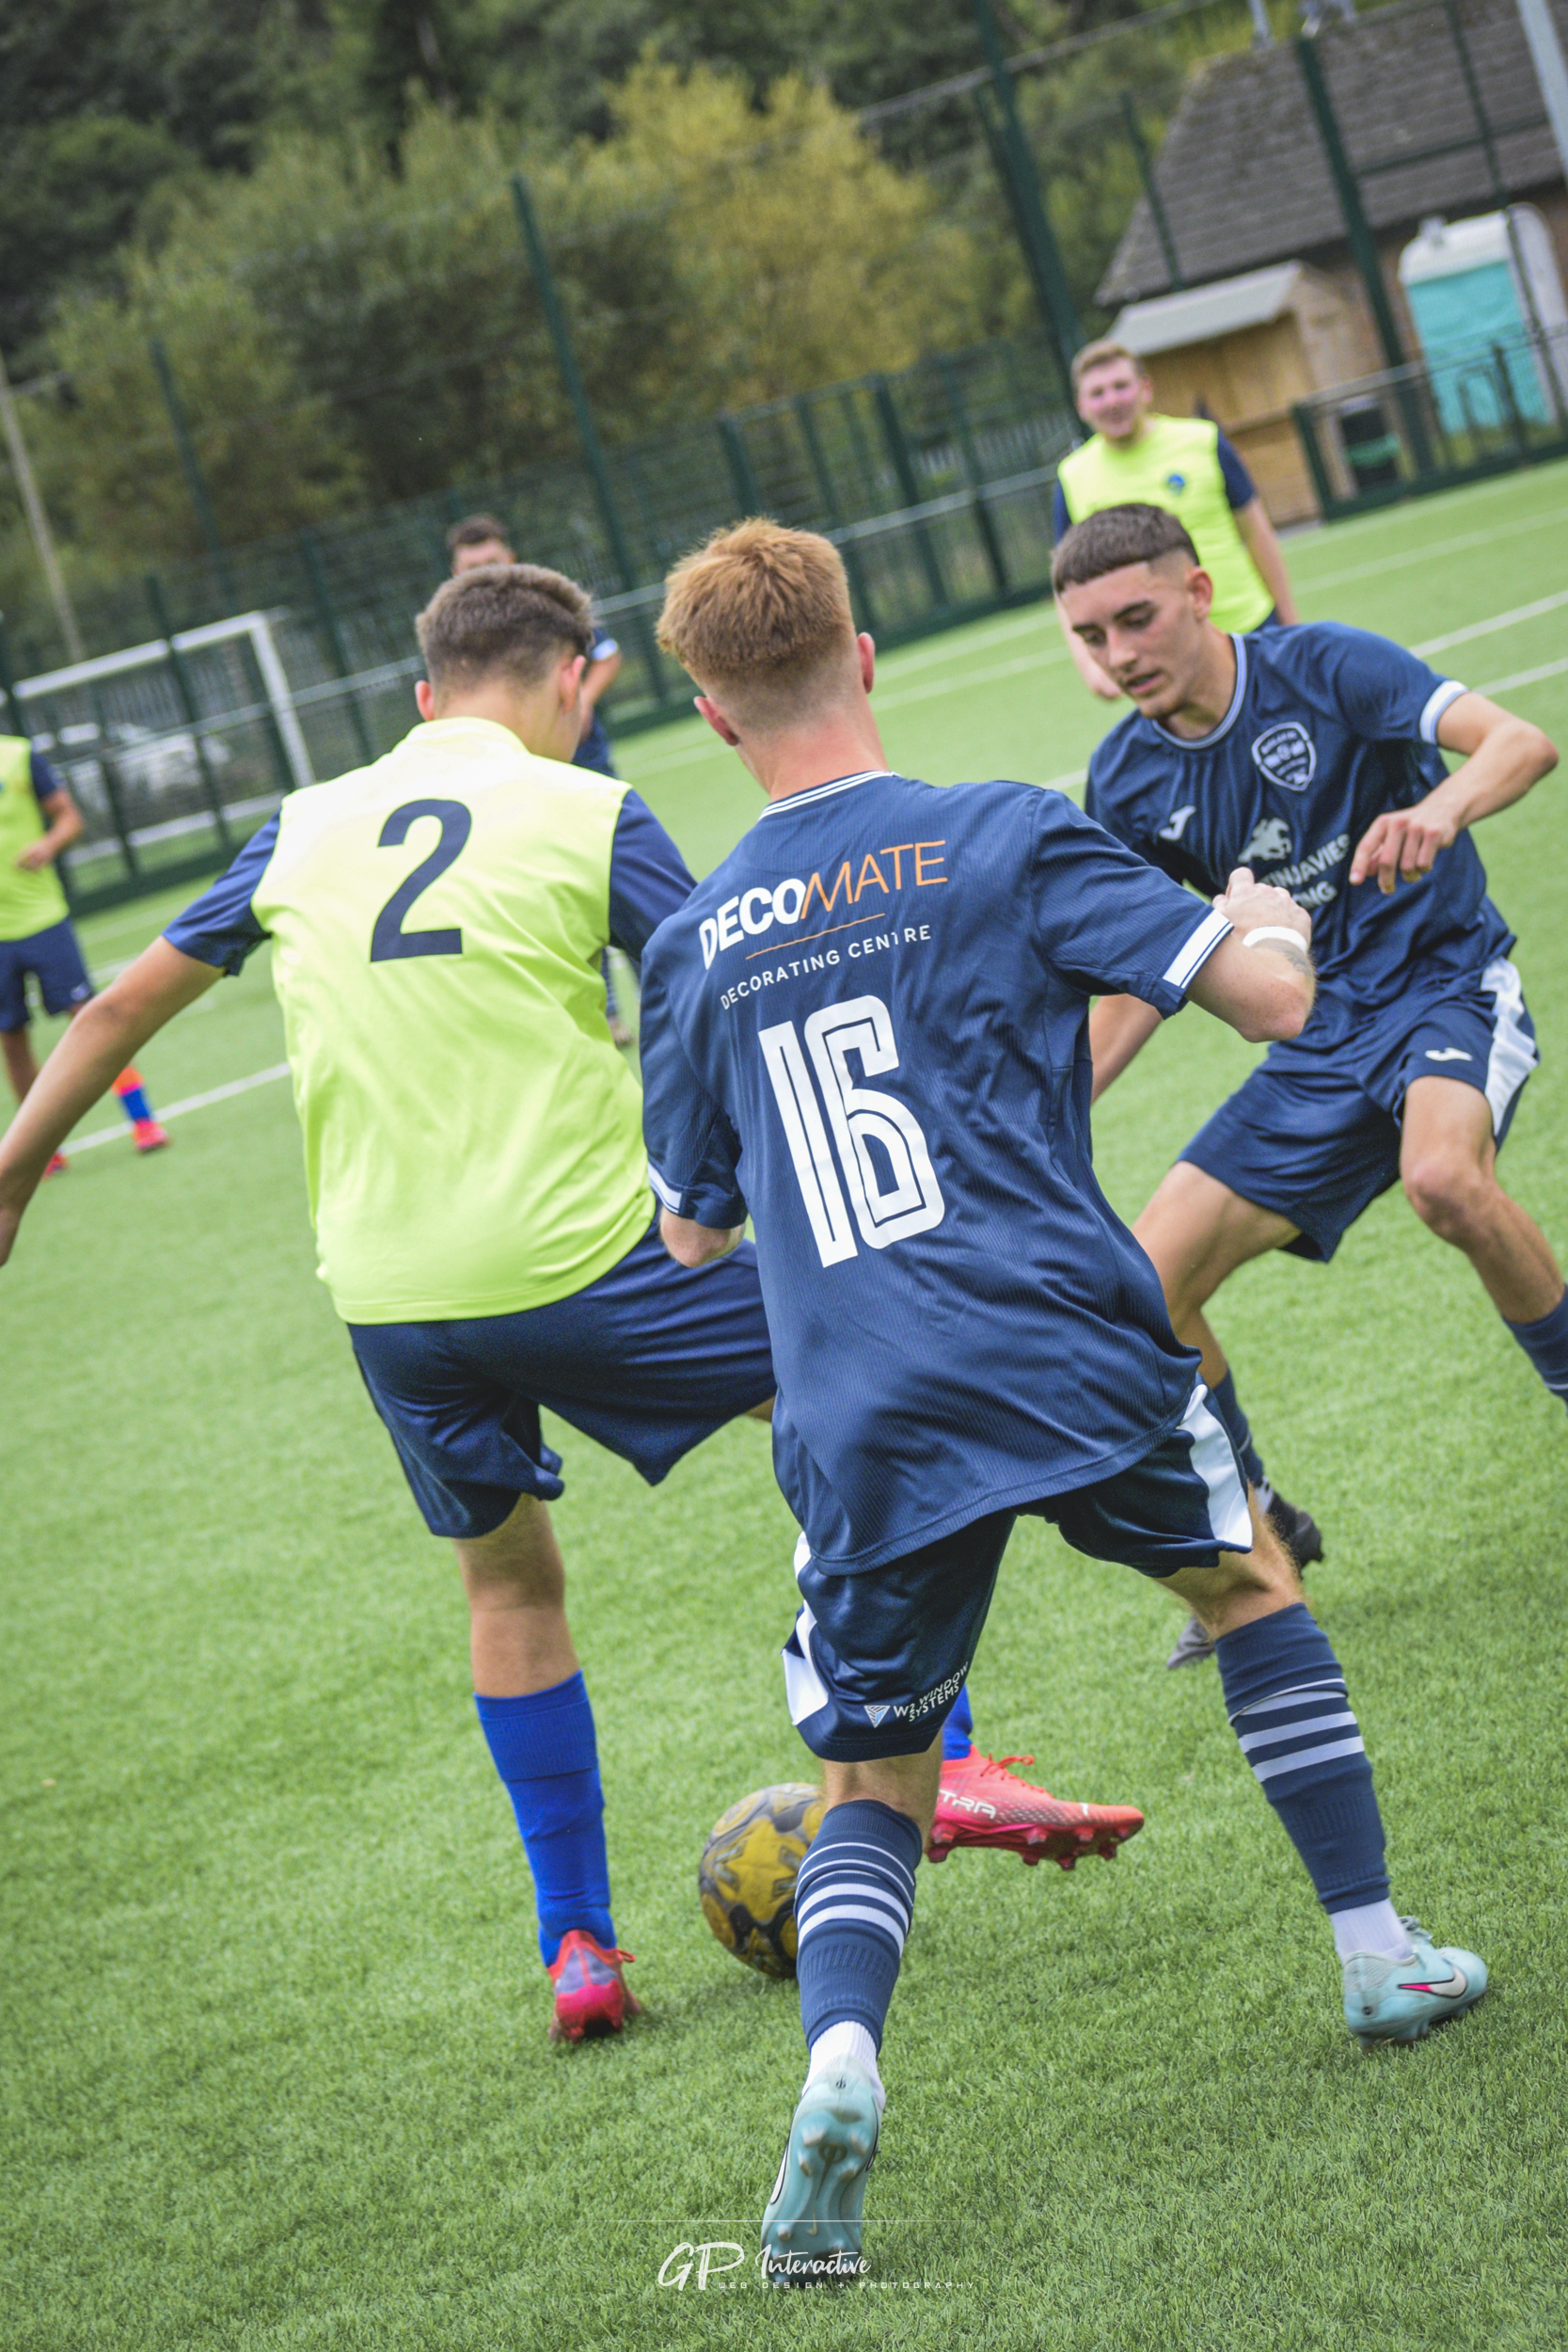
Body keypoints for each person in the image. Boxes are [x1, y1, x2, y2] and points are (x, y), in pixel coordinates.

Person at [0, 566, 1131, 2044]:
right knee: (838, 1376)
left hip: (396, 1303)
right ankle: (948, 1753)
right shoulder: (589, 814)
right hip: (593, 1265)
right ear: (577, 680)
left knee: (510, 1588)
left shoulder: (298, 828)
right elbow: (734, 962)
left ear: (420, 699)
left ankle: (579, 1949)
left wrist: (18, 1173)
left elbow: (109, 1012)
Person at [637, 519, 1485, 2282]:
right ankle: (1375, 1949)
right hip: (1063, 1337)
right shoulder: (1004, 828)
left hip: (860, 1400)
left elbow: (690, 1230)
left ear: (709, 715)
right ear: (864, 656)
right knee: (1246, 1577)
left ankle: (843, 2064)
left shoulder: (696, 941)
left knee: (871, 1777)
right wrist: (1250, 917)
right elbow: (1271, 1000)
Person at [1054, 502, 1562, 1667]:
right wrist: (1061, 1094)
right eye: (1090, 635)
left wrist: (1434, 807)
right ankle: (1262, 1523)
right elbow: (1141, 969)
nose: (1119, 652)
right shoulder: (1126, 776)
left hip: (1441, 990)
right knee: (1146, 1282)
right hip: (1315, 1047)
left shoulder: (1326, 666)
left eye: (1136, 617)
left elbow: (1517, 741)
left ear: (1196, 593)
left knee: (1440, 1177)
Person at [448, 516, 630, 1040]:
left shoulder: (548, 604)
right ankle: (607, 1012)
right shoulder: (455, 629)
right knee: (568, 893)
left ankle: (675, 1000)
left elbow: (607, 654)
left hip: (587, 764)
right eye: (471, 566)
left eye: (490, 561)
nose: (483, 572)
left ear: (509, 556)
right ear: (455, 572)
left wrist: (584, 699)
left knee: (625, 877)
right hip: (520, 781)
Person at [1053, 341, 1298, 704]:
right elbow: (1065, 585)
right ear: (1082, 406)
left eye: (1121, 386)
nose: (1112, 401)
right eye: (1098, 393)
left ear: (1145, 389)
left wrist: (1290, 625)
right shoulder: (1072, 477)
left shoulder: (1203, 441)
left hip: (1248, 627)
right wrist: (1090, 667)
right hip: (1159, 655)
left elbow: (1257, 533)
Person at [0, 732, 166, 1170]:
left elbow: (69, 818)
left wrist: (49, 845)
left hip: (43, 921)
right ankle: (42, 1151)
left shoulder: (17, 755)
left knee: (93, 1021)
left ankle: (144, 1122)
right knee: (12, 1040)